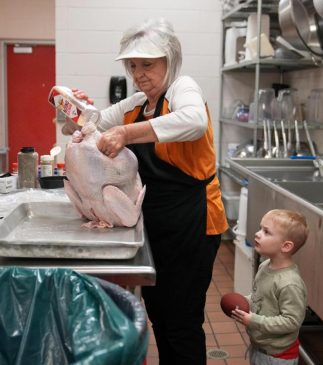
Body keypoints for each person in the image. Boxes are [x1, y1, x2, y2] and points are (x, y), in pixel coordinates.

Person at [63, 18, 228, 365]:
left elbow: (194, 120)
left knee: (182, 321)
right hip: (155, 224)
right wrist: (74, 111)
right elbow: (90, 123)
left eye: (147, 64)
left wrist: (126, 134)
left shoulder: (184, 88)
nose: (139, 74)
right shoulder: (137, 103)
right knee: (160, 317)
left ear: (170, 60)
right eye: (133, 65)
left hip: (193, 222)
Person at [231, 209, 308, 365]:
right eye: (260, 228)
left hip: (277, 356)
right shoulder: (265, 265)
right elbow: (259, 295)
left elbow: (291, 321)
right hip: (260, 346)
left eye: (266, 232)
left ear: (286, 246)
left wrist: (254, 320)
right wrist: (244, 302)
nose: (258, 234)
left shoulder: (289, 283)